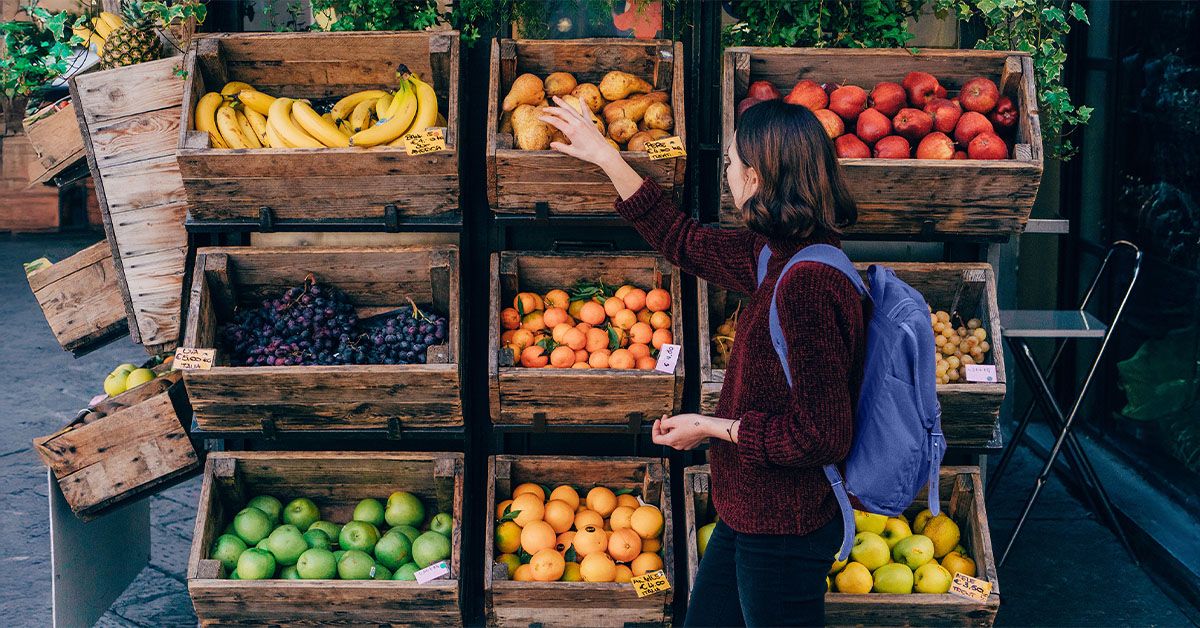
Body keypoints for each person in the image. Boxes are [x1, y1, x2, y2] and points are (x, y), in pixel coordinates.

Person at [540, 97, 865, 627]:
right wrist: (604, 155)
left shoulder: (808, 282)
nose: (728, 174)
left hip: (786, 525)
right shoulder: (773, 253)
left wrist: (710, 427)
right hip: (749, 508)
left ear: (756, 177)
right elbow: (681, 240)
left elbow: (820, 435)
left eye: (732, 164)